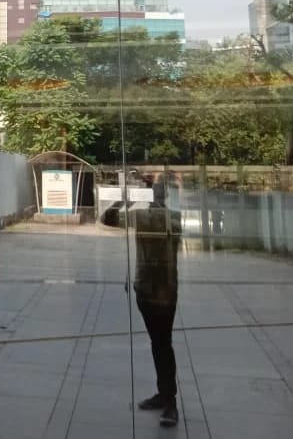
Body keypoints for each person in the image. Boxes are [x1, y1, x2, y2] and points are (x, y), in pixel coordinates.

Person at [133, 175, 182, 428]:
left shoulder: (172, 218)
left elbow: (170, 240)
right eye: (155, 190)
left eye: (161, 191)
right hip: (145, 287)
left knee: (163, 343)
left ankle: (169, 399)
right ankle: (163, 393)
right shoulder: (141, 216)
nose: (158, 195)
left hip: (164, 290)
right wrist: (123, 199)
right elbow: (107, 220)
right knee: (158, 343)